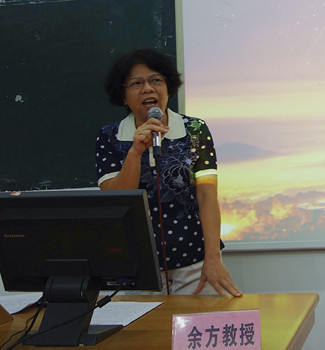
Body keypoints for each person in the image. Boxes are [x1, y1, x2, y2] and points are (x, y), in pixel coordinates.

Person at [95, 48, 241, 297]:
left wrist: (213, 257)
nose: (148, 89)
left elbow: (206, 195)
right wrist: (134, 152)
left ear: (168, 87)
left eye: (156, 80)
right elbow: (116, 200)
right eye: (136, 83)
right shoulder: (109, 137)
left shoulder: (194, 129)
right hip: (137, 266)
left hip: (194, 261)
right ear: (123, 96)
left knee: (206, 319)